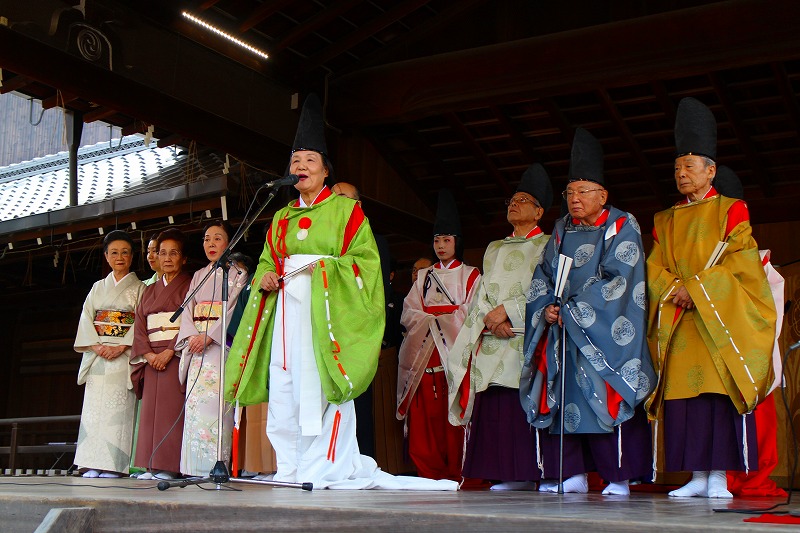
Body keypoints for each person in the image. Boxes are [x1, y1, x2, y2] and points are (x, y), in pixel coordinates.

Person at [223, 94, 455, 490]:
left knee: (320, 386)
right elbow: (267, 260)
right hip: (285, 317)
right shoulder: (280, 217)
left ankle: (325, 466)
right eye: (295, 162)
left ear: (325, 171)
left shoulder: (347, 212)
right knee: (285, 389)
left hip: (323, 315)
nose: (300, 167)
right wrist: (264, 276)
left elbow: (365, 264)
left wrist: (323, 268)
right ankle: (292, 468)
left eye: (309, 161)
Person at [646, 98, 777, 498]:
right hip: (681, 320)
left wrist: (698, 290)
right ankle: (697, 476)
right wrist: (675, 290)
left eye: (689, 167)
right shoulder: (664, 219)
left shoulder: (731, 209)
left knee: (718, 398)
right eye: (676, 168)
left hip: (717, 319)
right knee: (686, 400)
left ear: (711, 170)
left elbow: (741, 260)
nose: (681, 174)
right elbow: (655, 267)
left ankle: (719, 475)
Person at [521, 128, 655, 495]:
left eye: (583, 192)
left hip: (604, 331)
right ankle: (573, 474)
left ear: (603, 195)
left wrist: (577, 309)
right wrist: (546, 308)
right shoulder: (562, 229)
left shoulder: (621, 226)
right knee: (566, 399)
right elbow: (544, 275)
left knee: (604, 393)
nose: (574, 200)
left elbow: (621, 279)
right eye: (570, 193)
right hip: (563, 329)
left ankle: (618, 477)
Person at [447, 163, 552, 490]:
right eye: (511, 199)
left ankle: (526, 473)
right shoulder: (493, 248)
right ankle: (501, 473)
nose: (513, 204)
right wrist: (490, 319)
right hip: (491, 334)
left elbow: (546, 290)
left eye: (522, 200)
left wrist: (511, 315)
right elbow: (482, 293)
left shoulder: (547, 244)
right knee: (492, 402)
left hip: (526, 337)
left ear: (538, 212)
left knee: (517, 402)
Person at [397, 189, 481, 482]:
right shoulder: (423, 276)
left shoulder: (471, 275)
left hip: (454, 356)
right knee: (425, 420)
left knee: (453, 415)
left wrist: (437, 318)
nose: (441, 246)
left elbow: (471, 312)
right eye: (437, 240)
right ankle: (429, 472)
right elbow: (409, 312)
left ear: (457, 242)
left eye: (447, 240)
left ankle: (459, 472)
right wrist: (436, 317)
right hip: (425, 354)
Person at [713, 166, 786, 498]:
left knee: (757, 422)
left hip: (748, 353)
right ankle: (715, 477)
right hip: (711, 355)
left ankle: (752, 479)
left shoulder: (761, 263)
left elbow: (767, 314)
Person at [174, 222, 247, 476]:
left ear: (230, 243)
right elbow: (187, 310)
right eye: (207, 239)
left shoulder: (239, 274)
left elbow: (235, 308)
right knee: (195, 407)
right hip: (196, 348)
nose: (211, 244)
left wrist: (209, 335)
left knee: (218, 406)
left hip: (219, 347)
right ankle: (193, 466)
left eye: (218, 238)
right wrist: (194, 335)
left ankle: (217, 464)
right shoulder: (199, 275)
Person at [73, 230, 144, 478]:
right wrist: (96, 346)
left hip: (122, 356)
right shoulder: (97, 288)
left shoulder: (139, 288)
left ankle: (114, 465)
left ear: (132, 257)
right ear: (106, 256)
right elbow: (86, 318)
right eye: (114, 252)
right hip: (98, 356)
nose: (120, 257)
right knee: (94, 411)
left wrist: (122, 345)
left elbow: (141, 322)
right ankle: (91, 462)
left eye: (125, 252)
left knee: (118, 412)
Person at [131, 228, 193, 480]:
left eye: (173, 253)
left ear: (184, 258)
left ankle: (169, 466)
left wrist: (169, 351)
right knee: (150, 414)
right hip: (151, 357)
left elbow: (190, 320)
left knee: (170, 411)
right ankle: (151, 465)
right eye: (162, 253)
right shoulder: (149, 290)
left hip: (174, 354)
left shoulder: (191, 284)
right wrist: (147, 354)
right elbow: (139, 325)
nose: (167, 258)